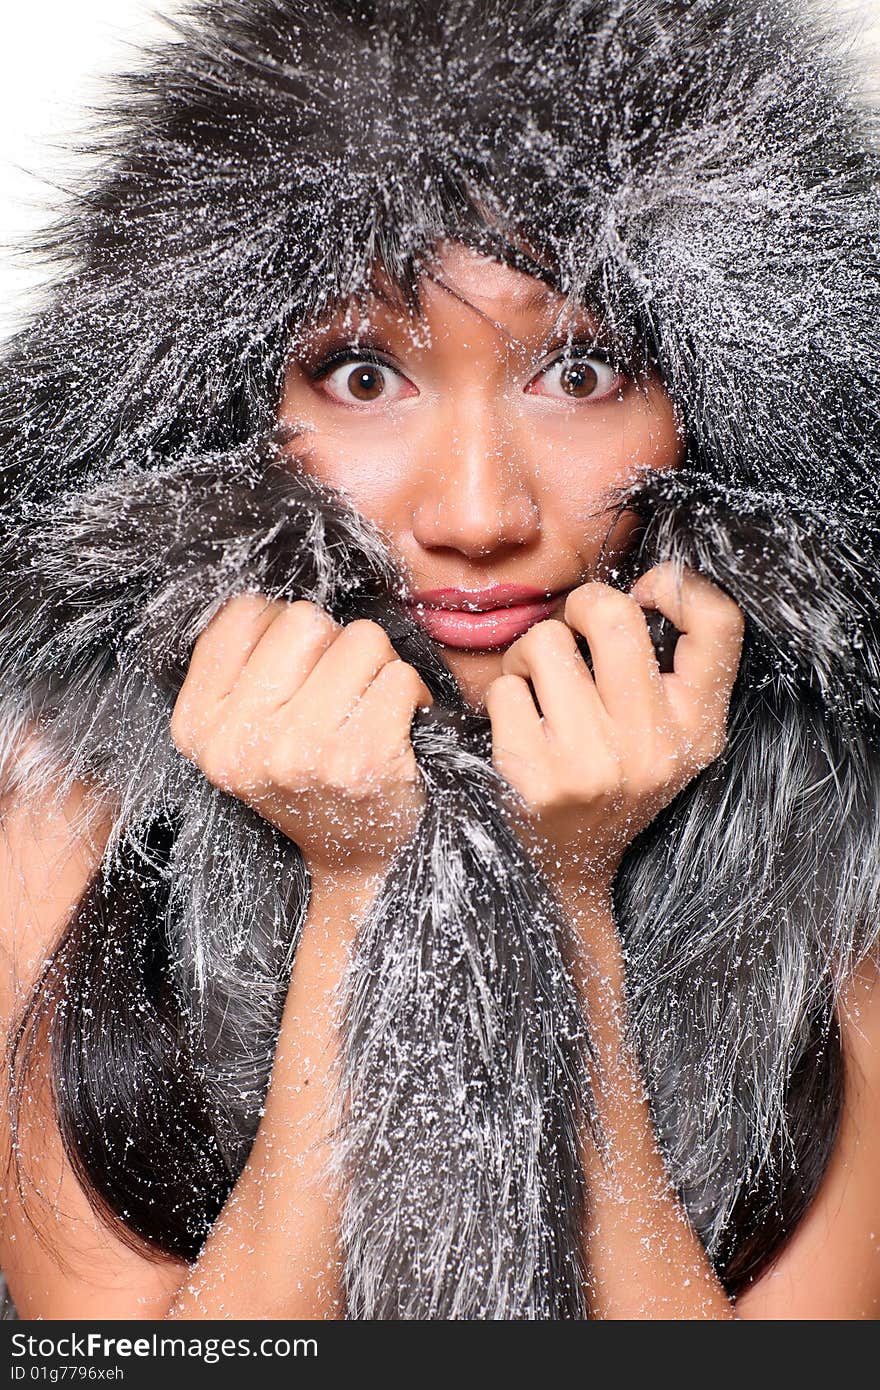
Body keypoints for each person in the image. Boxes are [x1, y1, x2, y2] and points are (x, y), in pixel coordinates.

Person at [1, 0, 879, 1320]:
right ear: (236, 405)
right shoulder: (60, 814)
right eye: (361, 374)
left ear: (715, 404)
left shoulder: (836, 850)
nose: (475, 512)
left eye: (580, 370)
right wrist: (353, 879)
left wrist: (571, 896)